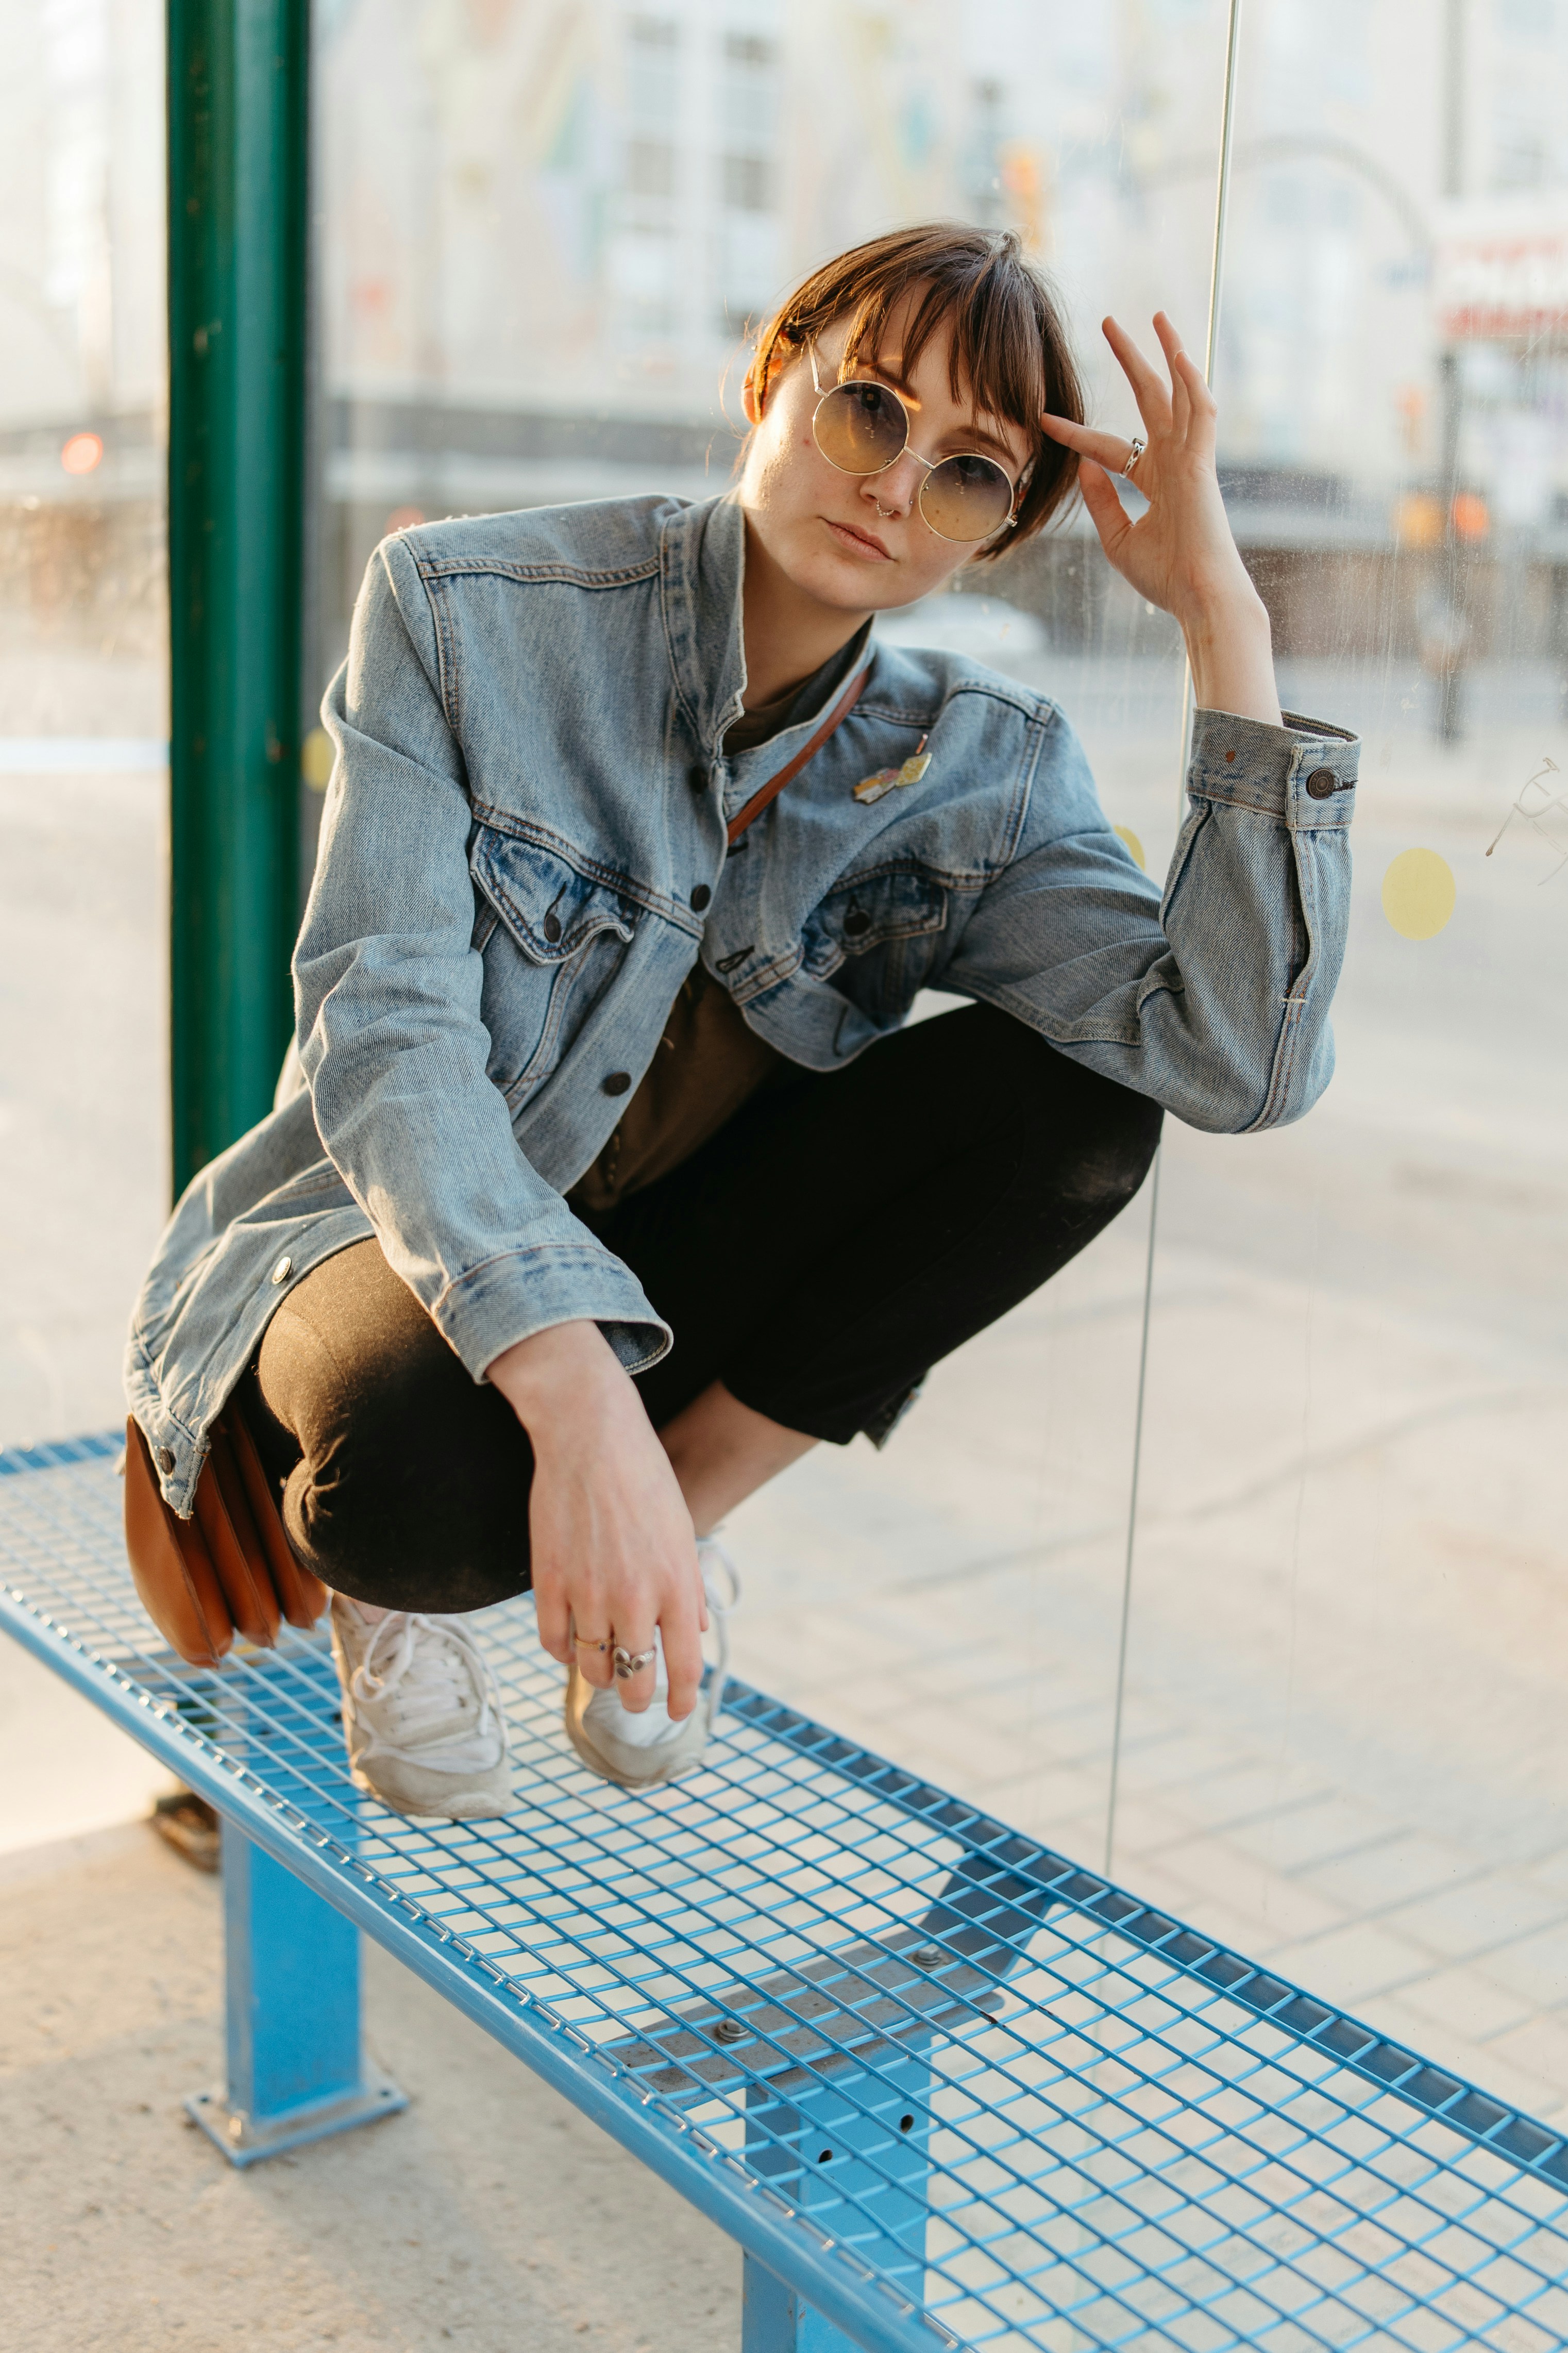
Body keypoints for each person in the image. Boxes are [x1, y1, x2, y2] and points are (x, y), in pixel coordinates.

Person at [125, 222, 1358, 1819]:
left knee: (1074, 1107)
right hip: (373, 1236)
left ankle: (665, 1546)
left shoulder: (980, 769)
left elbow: (1233, 1064)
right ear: (770, 380)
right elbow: (386, 1032)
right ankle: (483, 1556)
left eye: (970, 470)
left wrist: (1219, 617)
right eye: (867, 408)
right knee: (410, 1501)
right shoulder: (463, 609)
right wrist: (578, 1417)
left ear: (996, 534)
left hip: (668, 1260)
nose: (894, 482)